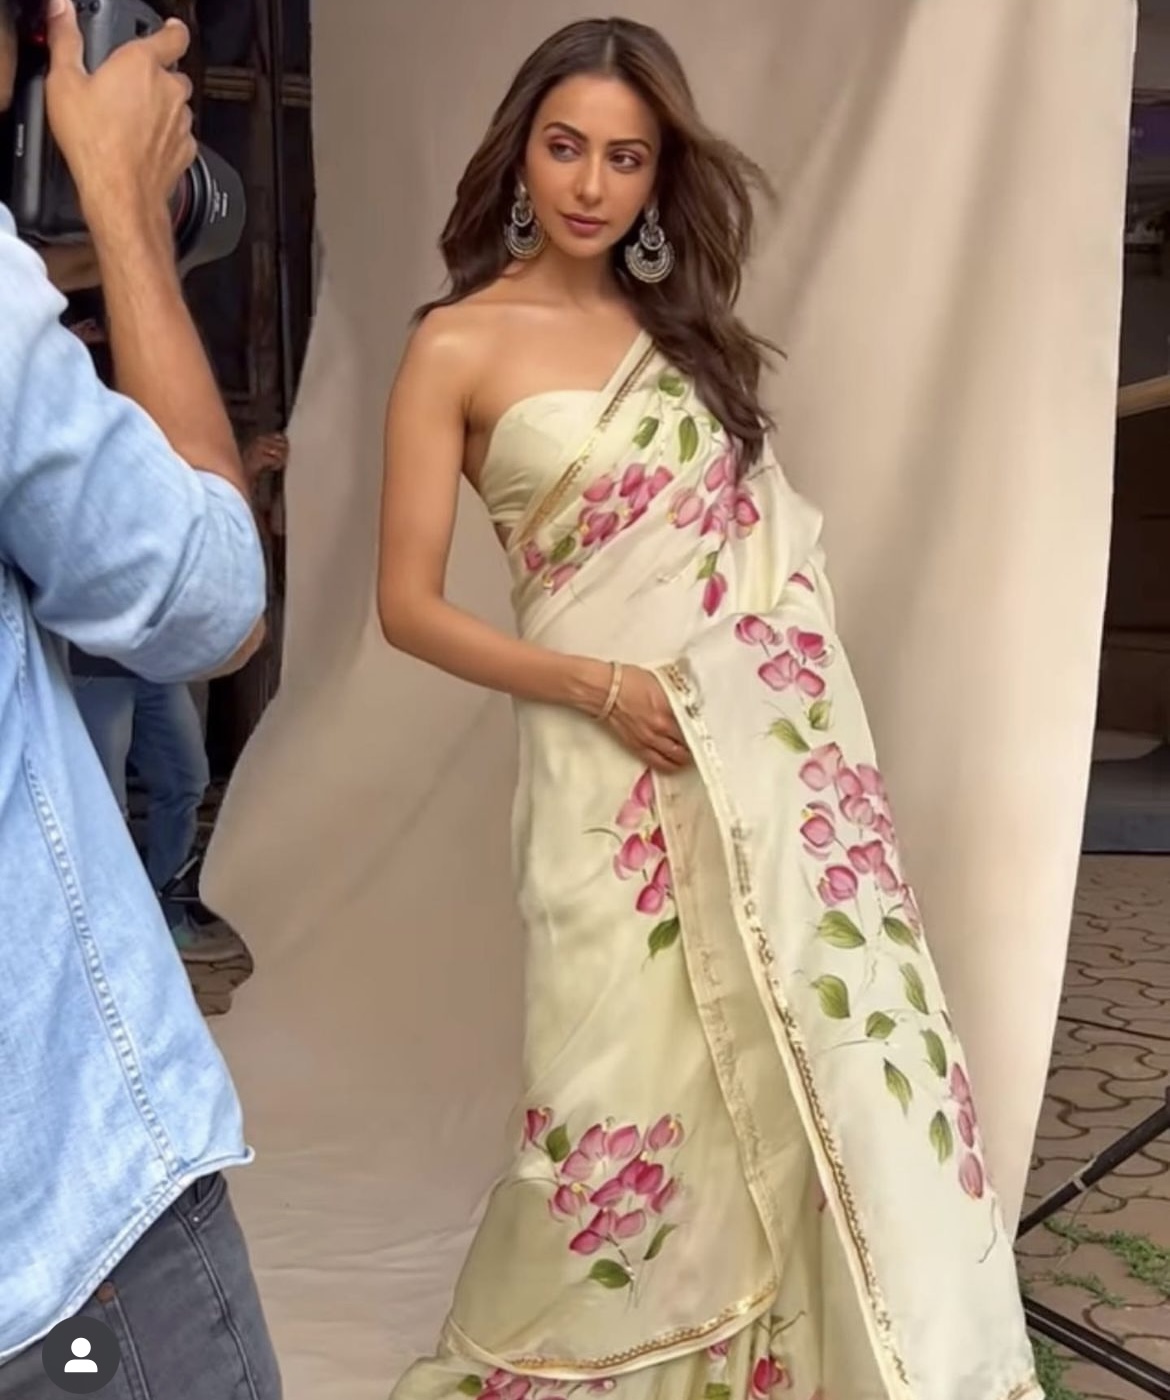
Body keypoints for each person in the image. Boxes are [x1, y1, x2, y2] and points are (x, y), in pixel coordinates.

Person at [377, 19, 1041, 1400]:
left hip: (743, 764)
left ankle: (762, 1366)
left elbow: (772, 562)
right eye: (565, 148)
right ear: (518, 155)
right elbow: (407, 607)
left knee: (777, 1082)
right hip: (593, 778)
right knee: (610, 1090)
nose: (591, 185)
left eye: (626, 159)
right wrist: (599, 685)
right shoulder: (454, 345)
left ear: (659, 177)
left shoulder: (681, 343)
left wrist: (720, 700)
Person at [0, 0, 281, 1393]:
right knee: (150, 764)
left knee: (162, 773)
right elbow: (211, 602)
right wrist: (122, 209)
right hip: (50, 1229)